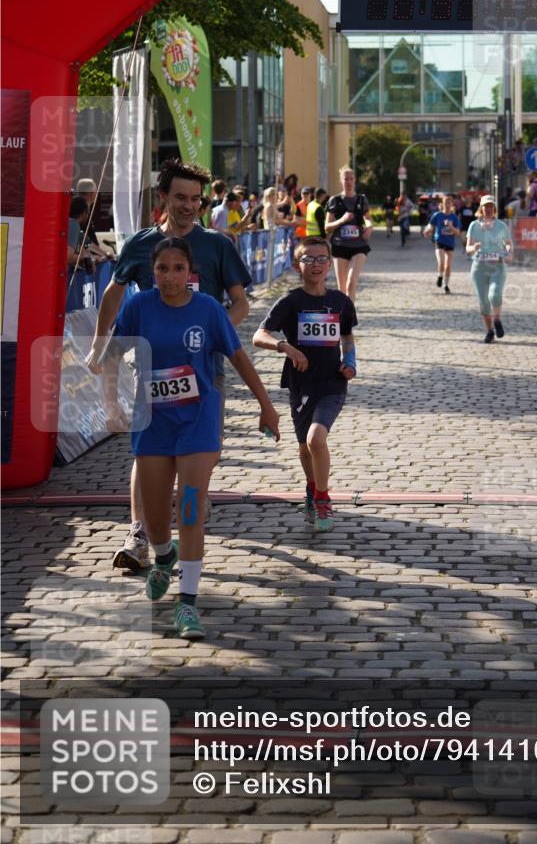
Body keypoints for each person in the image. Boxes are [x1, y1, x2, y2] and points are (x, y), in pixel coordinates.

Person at [104, 237, 279, 639]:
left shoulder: (208, 309)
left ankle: (187, 602)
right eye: (162, 269)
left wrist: (266, 405)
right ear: (153, 272)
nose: (169, 277)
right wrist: (111, 402)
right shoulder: (138, 306)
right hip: (152, 422)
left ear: (191, 273)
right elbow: (112, 355)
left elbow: (238, 357)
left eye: (178, 269)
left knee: (190, 507)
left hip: (198, 420)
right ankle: (164, 557)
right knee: (154, 519)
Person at [86, 158, 252, 572]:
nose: (189, 206)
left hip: (205, 373)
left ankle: (192, 496)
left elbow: (241, 303)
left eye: (196, 199)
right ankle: (139, 534)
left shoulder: (217, 245)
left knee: (204, 453)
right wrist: (99, 344)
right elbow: (113, 293)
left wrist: (213, 332)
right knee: (147, 453)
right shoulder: (140, 244)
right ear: (162, 197)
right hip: (153, 371)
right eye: (180, 197)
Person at [252, 237, 357, 534]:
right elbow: (259, 336)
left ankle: (323, 498)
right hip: (300, 385)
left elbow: (347, 336)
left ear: (329, 264)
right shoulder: (290, 302)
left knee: (315, 439)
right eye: (308, 259)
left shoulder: (341, 302)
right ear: (297, 265)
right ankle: (312, 488)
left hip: (332, 384)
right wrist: (284, 347)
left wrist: (350, 362)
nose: (316, 264)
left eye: (322, 258)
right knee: (304, 447)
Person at [465, 195, 513, 343]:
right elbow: (467, 248)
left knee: (495, 295)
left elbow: (508, 242)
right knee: (484, 302)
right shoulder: (474, 225)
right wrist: (474, 247)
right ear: (481, 208)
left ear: (495, 209)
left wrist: (508, 250)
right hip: (479, 267)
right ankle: (489, 331)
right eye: (486, 206)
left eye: (491, 206)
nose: (488, 209)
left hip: (497, 266)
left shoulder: (501, 226)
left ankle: (497, 320)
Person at [325, 166, 372, 302]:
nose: (349, 182)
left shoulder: (362, 200)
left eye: (351, 179)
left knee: (351, 283)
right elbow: (327, 227)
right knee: (342, 289)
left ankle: (350, 313)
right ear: (341, 181)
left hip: (359, 246)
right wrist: (342, 220)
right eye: (346, 179)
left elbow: (368, 218)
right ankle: (344, 313)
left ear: (355, 180)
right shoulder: (334, 200)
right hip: (340, 245)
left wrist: (369, 227)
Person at [423, 194, 461, 293]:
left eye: (449, 203)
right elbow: (431, 225)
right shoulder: (437, 215)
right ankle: (440, 276)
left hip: (450, 243)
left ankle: (446, 285)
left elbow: (458, 233)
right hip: (439, 240)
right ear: (442, 204)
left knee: (448, 265)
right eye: (446, 203)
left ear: (452, 204)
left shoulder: (454, 217)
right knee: (441, 261)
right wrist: (427, 230)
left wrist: (451, 226)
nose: (447, 204)